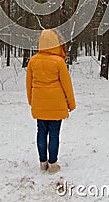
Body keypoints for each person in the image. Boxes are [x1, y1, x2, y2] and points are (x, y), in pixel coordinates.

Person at [26, 29, 76, 174]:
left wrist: (31, 101)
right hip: (57, 105)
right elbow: (67, 85)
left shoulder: (33, 61)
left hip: (39, 104)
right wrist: (71, 104)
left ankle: (43, 163)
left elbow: (29, 84)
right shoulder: (59, 61)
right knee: (54, 134)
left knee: (41, 132)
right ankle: (53, 165)